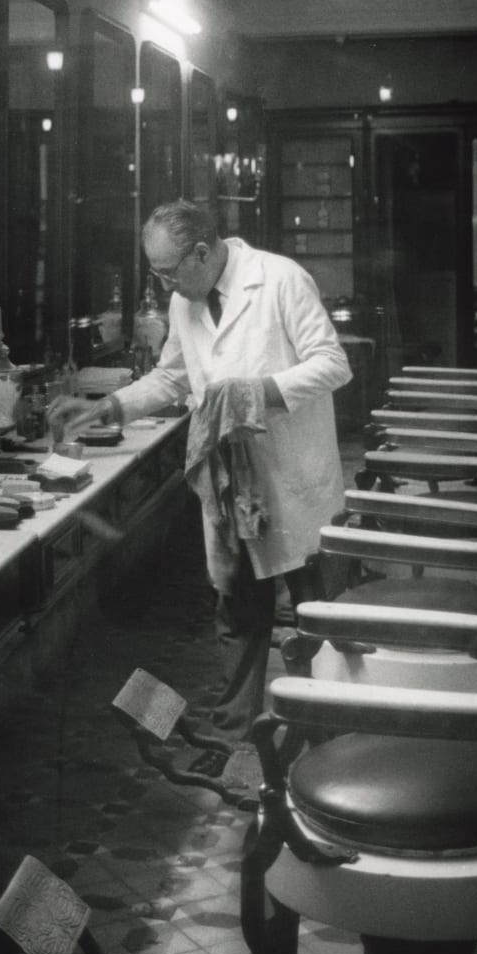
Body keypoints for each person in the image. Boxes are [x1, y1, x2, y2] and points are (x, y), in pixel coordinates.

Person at [48, 200, 352, 740]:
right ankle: (238, 734)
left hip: (294, 477)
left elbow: (333, 364)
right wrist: (107, 408)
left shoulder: (280, 279)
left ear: (204, 253)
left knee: (317, 615)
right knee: (237, 611)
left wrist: (255, 394)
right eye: (156, 271)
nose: (163, 282)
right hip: (232, 484)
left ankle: (328, 734)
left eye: (167, 270)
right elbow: (171, 378)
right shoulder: (186, 302)